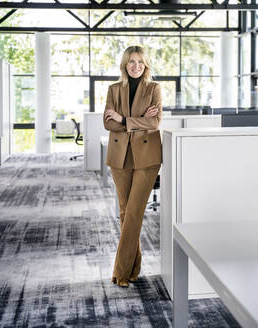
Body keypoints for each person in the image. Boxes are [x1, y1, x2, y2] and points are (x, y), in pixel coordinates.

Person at [103, 46, 162, 287]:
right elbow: (108, 124)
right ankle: (134, 268)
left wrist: (124, 119)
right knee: (126, 212)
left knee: (135, 212)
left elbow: (155, 122)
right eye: (131, 62)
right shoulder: (114, 89)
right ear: (125, 65)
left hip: (147, 157)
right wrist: (137, 122)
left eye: (139, 61)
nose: (135, 66)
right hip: (120, 156)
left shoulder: (154, 88)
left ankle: (121, 271)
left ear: (145, 64)